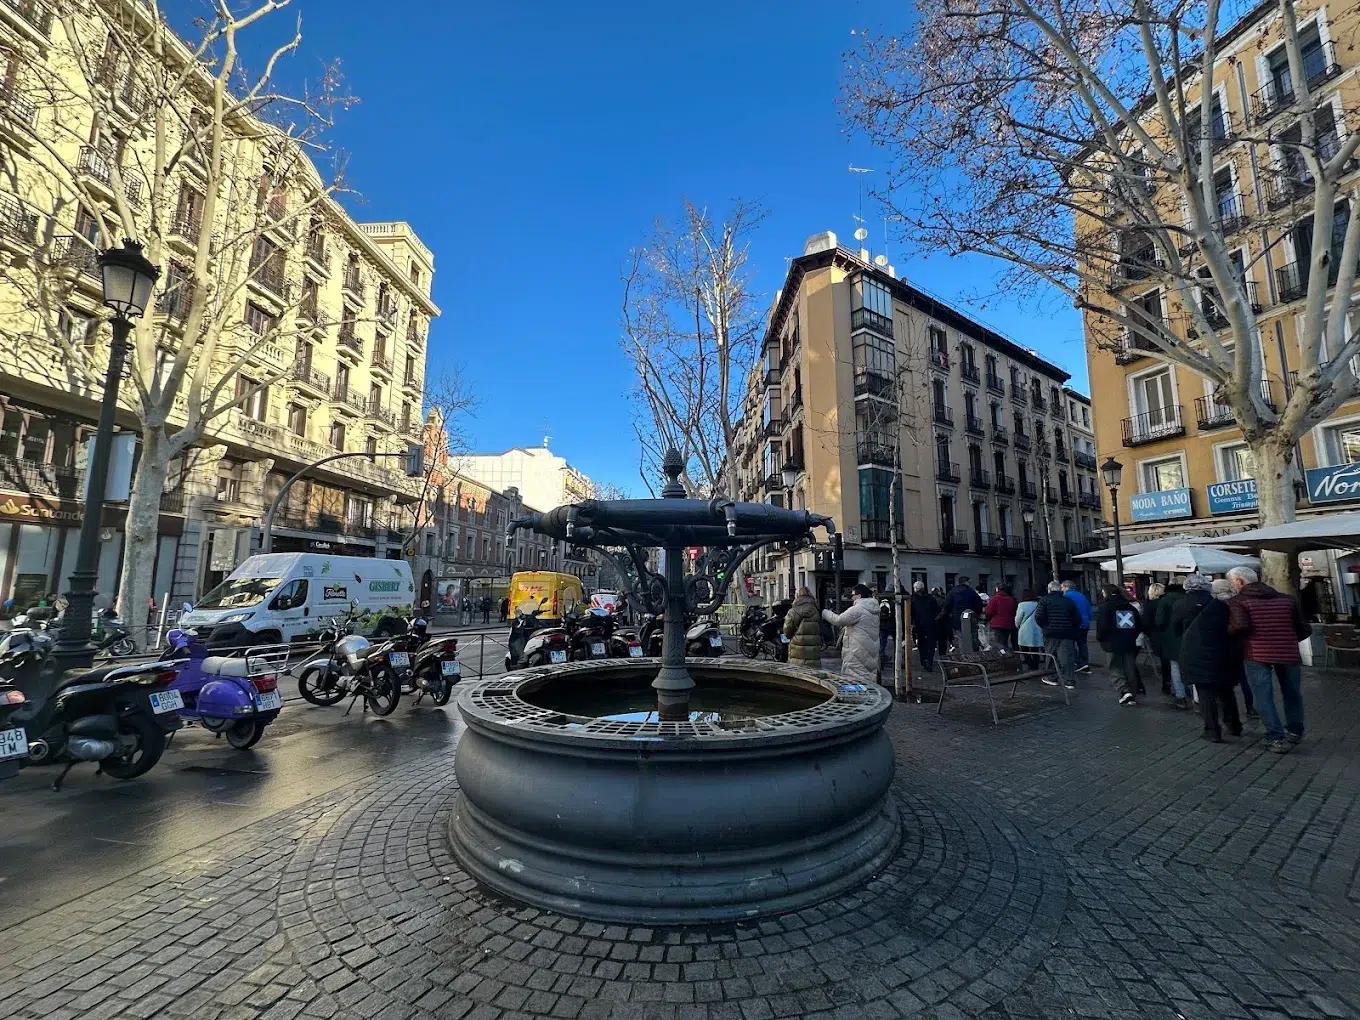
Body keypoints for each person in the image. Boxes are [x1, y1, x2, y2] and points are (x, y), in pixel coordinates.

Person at [1227, 565, 1309, 753]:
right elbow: (1302, 625)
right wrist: (1288, 639)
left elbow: (1239, 626)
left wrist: (1229, 631)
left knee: (1263, 695)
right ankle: (1295, 730)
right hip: (1288, 652)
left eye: (1233, 582)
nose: (1233, 586)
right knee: (1292, 693)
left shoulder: (1239, 601)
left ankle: (1275, 736)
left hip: (1257, 652)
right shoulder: (1287, 599)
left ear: (1240, 582)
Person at [1176, 577, 1244, 742]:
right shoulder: (1229, 610)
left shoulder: (1212, 610)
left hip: (1200, 658)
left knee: (1207, 696)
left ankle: (1212, 730)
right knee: (1225, 692)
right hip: (1221, 657)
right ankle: (1233, 724)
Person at [822, 584, 881, 685]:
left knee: (855, 677)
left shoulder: (858, 609)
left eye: (853, 595)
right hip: (870, 647)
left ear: (859, 595)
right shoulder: (873, 609)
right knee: (867, 674)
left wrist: (824, 612)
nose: (852, 598)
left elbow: (838, 620)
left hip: (857, 649)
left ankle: (858, 698)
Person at [1096, 582, 1143, 705]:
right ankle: (1132, 692)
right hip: (1129, 642)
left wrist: (1101, 639)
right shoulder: (1130, 607)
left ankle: (1124, 691)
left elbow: (1102, 627)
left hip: (1111, 643)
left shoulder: (1105, 607)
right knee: (1129, 667)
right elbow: (1138, 626)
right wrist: (1131, 636)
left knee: (1115, 667)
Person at [1147, 581, 1190, 707]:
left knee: (1175, 667)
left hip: (1170, 638)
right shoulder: (1188, 598)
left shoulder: (1164, 601)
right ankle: (1194, 695)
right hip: (1188, 637)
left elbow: (1159, 622)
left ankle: (1180, 695)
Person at [1034, 580, 1080, 689]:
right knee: (1067, 656)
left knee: (1051, 655)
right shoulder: (1068, 601)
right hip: (1066, 632)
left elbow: (1038, 617)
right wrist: (1071, 627)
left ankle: (1052, 677)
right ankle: (1069, 680)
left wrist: (1045, 627)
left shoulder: (1044, 600)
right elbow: (1077, 618)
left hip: (1050, 632)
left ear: (1049, 589)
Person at [782, 587, 824, 669]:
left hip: (797, 648)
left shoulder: (793, 611)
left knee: (797, 672)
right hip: (813, 649)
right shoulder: (816, 609)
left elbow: (787, 631)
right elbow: (820, 627)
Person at [1061, 580, 1093, 673]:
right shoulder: (1082, 596)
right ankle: (1084, 663)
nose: (1062, 589)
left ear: (1067, 587)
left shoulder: (1066, 596)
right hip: (1085, 623)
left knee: (1070, 644)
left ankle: (1076, 663)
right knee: (1083, 644)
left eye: (1062, 587)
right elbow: (1089, 610)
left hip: (1073, 624)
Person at [943, 575, 984, 646]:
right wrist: (977, 614)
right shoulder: (971, 592)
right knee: (973, 637)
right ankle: (973, 653)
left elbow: (946, 606)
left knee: (961, 639)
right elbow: (979, 605)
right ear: (966, 582)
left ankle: (964, 654)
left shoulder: (952, 592)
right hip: (970, 618)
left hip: (957, 619)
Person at [909, 582, 940, 672]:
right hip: (931, 623)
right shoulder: (930, 598)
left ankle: (923, 660)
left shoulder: (913, 599)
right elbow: (937, 610)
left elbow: (911, 612)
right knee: (931, 643)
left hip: (918, 624)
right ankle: (929, 660)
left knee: (921, 643)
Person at [983, 585, 1018, 650]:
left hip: (996, 624)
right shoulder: (1011, 599)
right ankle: (1006, 655)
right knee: (1005, 641)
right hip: (1008, 624)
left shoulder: (994, 599)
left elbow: (989, 612)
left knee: (998, 642)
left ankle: (1002, 655)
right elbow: (1014, 612)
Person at [1015, 588, 1043, 666]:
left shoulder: (1021, 605)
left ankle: (1029, 663)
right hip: (1037, 628)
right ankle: (1035, 664)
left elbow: (1018, 618)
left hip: (1025, 629)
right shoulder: (1038, 604)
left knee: (1024, 648)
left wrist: (1017, 626)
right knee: (1035, 648)